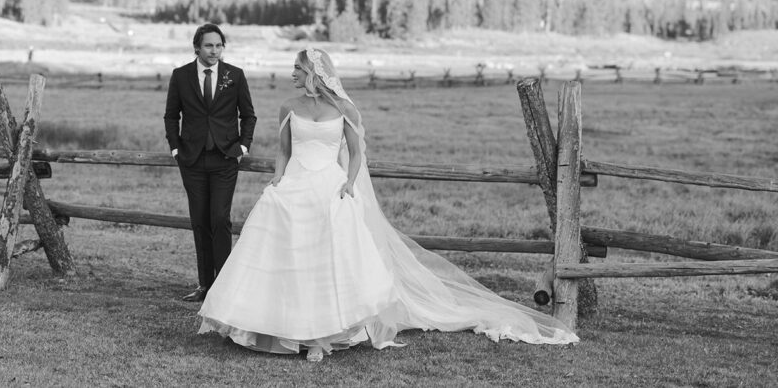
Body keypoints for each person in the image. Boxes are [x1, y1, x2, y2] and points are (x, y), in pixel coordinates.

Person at [198, 47, 578, 362]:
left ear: (313, 71)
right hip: (295, 184)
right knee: (287, 256)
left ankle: (320, 338)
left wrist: (348, 183)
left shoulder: (345, 109)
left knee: (327, 259)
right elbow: (283, 151)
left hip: (330, 185)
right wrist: (276, 179)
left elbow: (356, 153)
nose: (292, 73)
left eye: (297, 68)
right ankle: (275, 326)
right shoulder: (287, 107)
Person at [164, 24, 257, 303]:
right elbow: (171, 116)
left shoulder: (235, 76)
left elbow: (248, 115)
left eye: (218, 45)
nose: (214, 51)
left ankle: (224, 287)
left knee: (219, 218)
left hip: (225, 158)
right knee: (200, 221)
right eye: (209, 46)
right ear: (197, 47)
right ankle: (205, 286)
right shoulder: (180, 76)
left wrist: (242, 146)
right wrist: (175, 149)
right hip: (191, 160)